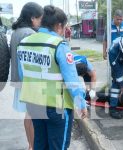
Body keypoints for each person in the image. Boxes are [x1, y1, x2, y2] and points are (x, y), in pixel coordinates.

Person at [17, 5, 87, 149]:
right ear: (59, 26)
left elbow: (23, 74)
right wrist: (81, 102)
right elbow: (72, 80)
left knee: (40, 144)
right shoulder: (59, 45)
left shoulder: (24, 43)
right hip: (57, 107)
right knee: (57, 146)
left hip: (34, 103)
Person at [10, 2, 43, 150]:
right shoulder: (29, 34)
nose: (41, 22)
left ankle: (30, 145)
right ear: (32, 18)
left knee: (28, 114)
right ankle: (33, 146)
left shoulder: (16, 32)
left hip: (19, 79)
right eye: (40, 19)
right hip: (29, 81)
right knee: (32, 116)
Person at [103, 9, 123, 87]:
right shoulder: (108, 26)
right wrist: (104, 52)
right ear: (114, 17)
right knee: (115, 73)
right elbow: (105, 40)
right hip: (114, 55)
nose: (119, 21)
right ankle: (116, 86)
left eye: (121, 19)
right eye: (117, 19)